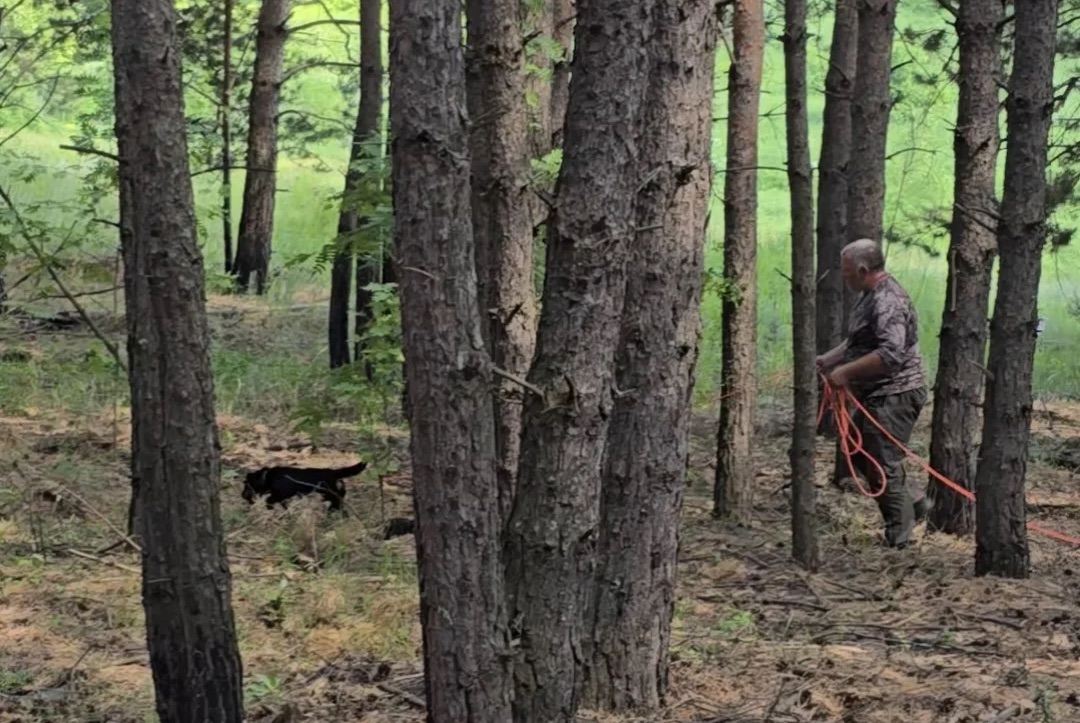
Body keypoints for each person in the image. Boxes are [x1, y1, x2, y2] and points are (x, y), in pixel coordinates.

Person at [816, 238, 930, 549]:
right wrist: (833, 359)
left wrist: (845, 372)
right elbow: (860, 340)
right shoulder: (868, 295)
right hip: (876, 394)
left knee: (882, 461)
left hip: (897, 393)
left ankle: (899, 538)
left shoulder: (888, 300)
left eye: (847, 271)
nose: (844, 276)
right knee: (856, 451)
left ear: (864, 270)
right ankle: (914, 504)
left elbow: (890, 356)